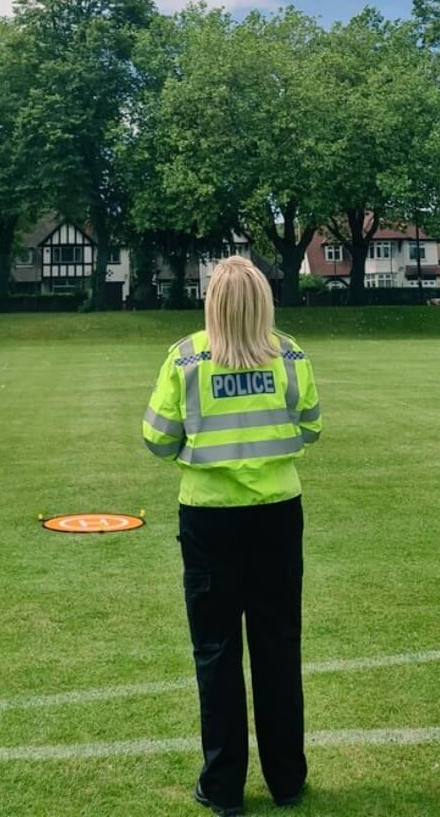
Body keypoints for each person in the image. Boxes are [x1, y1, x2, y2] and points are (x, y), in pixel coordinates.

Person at [142, 256, 322, 816]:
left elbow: (156, 438)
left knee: (216, 654)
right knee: (278, 648)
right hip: (276, 512)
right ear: (264, 301)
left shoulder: (185, 357)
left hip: (209, 517)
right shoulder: (290, 354)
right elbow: (311, 426)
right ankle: (287, 780)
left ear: (211, 301)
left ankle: (222, 788)